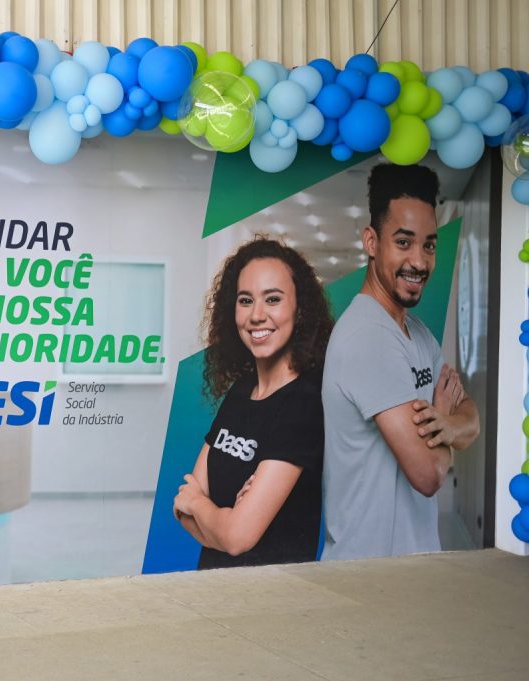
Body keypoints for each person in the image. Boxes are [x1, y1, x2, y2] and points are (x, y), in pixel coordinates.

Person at [322, 163, 480, 560]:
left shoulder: (418, 333)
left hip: (411, 568)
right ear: (372, 242)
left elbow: (472, 418)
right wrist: (447, 426)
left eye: (429, 245)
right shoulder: (367, 338)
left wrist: (446, 422)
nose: (420, 262)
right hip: (369, 575)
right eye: (404, 242)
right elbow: (427, 475)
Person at [173, 236, 334, 568]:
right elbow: (181, 511)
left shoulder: (304, 404)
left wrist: (202, 506)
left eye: (272, 299)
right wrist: (224, 517)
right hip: (213, 591)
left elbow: (236, 538)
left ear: (299, 309)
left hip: (270, 605)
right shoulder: (241, 391)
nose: (257, 315)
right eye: (245, 300)